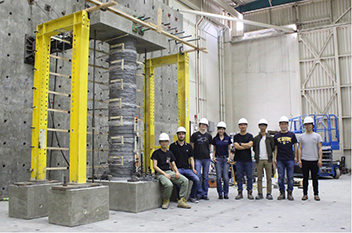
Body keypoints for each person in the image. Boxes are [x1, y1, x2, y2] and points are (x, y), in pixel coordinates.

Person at [151, 133, 191, 209]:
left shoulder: (169, 153)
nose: (164, 143)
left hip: (170, 172)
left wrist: (177, 172)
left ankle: (182, 200)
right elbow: (154, 166)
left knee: (185, 180)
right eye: (162, 141)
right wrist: (164, 174)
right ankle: (166, 200)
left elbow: (173, 164)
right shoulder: (156, 153)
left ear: (168, 142)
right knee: (169, 185)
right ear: (160, 142)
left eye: (166, 141)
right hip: (160, 174)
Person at [169, 126, 200, 203]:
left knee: (197, 179)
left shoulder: (188, 146)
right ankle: (180, 198)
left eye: (183, 134)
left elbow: (191, 158)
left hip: (187, 169)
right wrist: (173, 169)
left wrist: (193, 168)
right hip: (177, 169)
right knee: (178, 181)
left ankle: (192, 196)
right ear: (177, 135)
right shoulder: (173, 146)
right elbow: (169, 160)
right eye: (179, 134)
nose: (181, 136)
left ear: (185, 135)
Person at [298, 116, 323, 201]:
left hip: (314, 160)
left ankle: (316, 194)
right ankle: (305, 194)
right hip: (305, 160)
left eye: (309, 124)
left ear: (312, 125)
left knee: (315, 178)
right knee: (305, 178)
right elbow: (300, 148)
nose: (308, 126)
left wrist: (320, 159)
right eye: (306, 124)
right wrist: (299, 159)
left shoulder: (317, 136)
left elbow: (320, 148)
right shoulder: (301, 136)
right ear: (304, 126)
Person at [273, 116, 298, 201]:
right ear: (279, 125)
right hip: (280, 159)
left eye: (285, 124)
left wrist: (296, 157)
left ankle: (290, 193)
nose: (283, 126)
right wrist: (275, 158)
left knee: (290, 177)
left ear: (287, 125)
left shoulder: (291, 135)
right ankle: (282, 193)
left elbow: (295, 146)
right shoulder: (276, 136)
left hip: (290, 159)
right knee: (280, 177)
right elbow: (276, 148)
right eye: (282, 124)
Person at [190, 118, 212, 200]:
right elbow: (192, 145)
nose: (203, 126)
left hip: (206, 158)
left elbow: (209, 146)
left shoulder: (209, 136)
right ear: (199, 125)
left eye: (205, 125)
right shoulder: (195, 135)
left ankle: (205, 193)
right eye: (202, 124)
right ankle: (199, 193)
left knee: (206, 176)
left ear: (206, 126)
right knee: (198, 175)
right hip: (197, 158)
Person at [252, 119, 275, 200]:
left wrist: (270, 157)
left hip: (268, 160)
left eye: (264, 126)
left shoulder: (270, 138)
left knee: (269, 177)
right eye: (261, 126)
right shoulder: (256, 138)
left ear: (266, 127)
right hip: (259, 160)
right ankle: (260, 193)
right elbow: (254, 148)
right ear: (259, 127)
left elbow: (272, 148)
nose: (262, 127)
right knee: (259, 178)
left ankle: (269, 193)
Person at [233, 118, 254, 200]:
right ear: (239, 126)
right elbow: (236, 146)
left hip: (248, 160)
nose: (243, 126)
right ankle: (240, 192)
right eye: (241, 125)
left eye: (244, 125)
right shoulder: (236, 136)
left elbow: (250, 145)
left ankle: (249, 192)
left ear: (247, 126)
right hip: (238, 160)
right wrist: (245, 146)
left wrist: (241, 144)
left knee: (249, 176)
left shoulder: (250, 136)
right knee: (239, 176)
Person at [212, 121, 232, 199]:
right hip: (218, 159)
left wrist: (229, 157)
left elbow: (229, 149)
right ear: (217, 130)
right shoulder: (215, 139)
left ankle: (226, 193)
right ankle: (220, 193)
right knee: (218, 177)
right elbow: (214, 149)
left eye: (222, 129)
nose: (221, 131)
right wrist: (213, 157)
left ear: (224, 130)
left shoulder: (227, 138)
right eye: (219, 129)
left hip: (225, 159)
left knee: (226, 177)